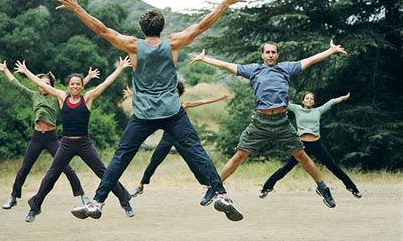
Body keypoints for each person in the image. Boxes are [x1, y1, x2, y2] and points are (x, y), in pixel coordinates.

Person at [57, 0, 247, 221]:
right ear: (162, 27)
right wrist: (225, 3)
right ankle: (221, 195)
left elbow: (102, 30)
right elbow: (202, 25)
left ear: (142, 28)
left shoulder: (133, 46)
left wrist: (77, 8)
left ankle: (97, 202)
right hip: (172, 112)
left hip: (144, 114)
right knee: (197, 151)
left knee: (121, 157)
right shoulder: (174, 43)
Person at [191, 40, 347, 208]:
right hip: (260, 122)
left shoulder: (285, 68)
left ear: (277, 55)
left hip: (282, 122)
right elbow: (229, 66)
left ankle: (323, 188)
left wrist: (330, 51)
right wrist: (205, 59)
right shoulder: (253, 70)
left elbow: (309, 60)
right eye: (268, 52)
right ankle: (214, 188)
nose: (271, 55)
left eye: (274, 52)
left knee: (301, 156)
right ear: (262, 55)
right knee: (240, 156)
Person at [14, 57, 134, 222]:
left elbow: (105, 83)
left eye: (78, 84)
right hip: (66, 144)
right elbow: (42, 84)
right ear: (68, 86)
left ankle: (125, 202)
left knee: (104, 173)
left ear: (82, 85)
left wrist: (120, 68)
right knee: (51, 175)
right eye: (72, 84)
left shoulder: (88, 98)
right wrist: (26, 72)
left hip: (84, 143)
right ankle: (35, 207)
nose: (75, 86)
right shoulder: (62, 97)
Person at [0, 61, 95, 210]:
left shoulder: (58, 97)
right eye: (41, 84)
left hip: (52, 138)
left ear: (51, 85)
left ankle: (82, 196)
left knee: (67, 168)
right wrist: (5, 70)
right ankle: (13, 197)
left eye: (46, 84)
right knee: (25, 168)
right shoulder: (33, 95)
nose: (43, 86)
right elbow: (17, 85)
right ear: (37, 85)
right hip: (37, 137)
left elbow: (75, 88)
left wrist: (87, 77)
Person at [124, 81, 230, 205]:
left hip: (181, 139)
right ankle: (140, 186)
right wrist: (133, 95)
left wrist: (220, 98)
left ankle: (210, 187)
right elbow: (150, 100)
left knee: (193, 163)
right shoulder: (164, 106)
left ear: (178, 94)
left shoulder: (182, 105)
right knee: (154, 161)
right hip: (167, 139)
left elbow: (203, 101)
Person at [259, 92, 362, 198]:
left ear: (314, 102)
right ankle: (266, 188)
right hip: (301, 145)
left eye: (311, 99)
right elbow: (283, 102)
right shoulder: (297, 109)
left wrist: (343, 98)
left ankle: (352, 188)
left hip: (316, 144)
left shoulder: (318, 111)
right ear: (303, 101)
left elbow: (331, 102)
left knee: (332, 166)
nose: (309, 100)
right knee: (287, 167)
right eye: (307, 98)